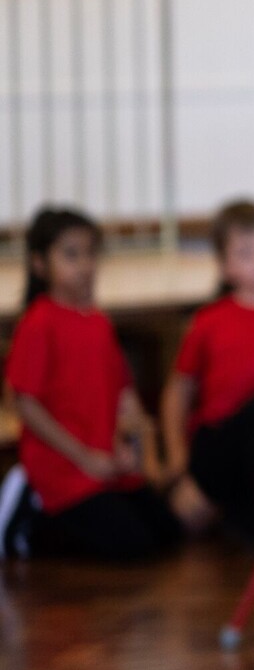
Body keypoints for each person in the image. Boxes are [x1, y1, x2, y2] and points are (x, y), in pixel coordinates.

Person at [1, 207, 182, 560]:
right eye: (71, 255)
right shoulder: (39, 323)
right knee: (131, 547)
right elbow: (24, 401)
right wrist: (84, 457)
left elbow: (122, 393)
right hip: (64, 465)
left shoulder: (98, 320)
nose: (85, 265)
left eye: (90, 254)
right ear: (40, 264)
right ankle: (29, 515)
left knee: (168, 532)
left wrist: (131, 446)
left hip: (104, 462)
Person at [159, 199, 254, 542]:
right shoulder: (209, 321)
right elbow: (178, 392)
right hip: (220, 443)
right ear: (225, 268)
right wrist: (178, 460)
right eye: (246, 253)